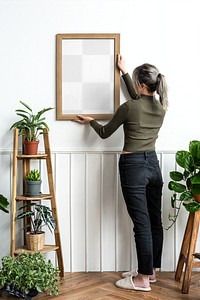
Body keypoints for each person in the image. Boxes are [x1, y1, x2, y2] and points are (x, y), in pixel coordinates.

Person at [75, 54, 168, 292]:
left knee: (142, 224)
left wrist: (92, 121)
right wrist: (124, 72)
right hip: (153, 166)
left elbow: (105, 133)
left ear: (142, 85)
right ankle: (152, 271)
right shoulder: (160, 107)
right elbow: (139, 98)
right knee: (154, 221)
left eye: (136, 82)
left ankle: (142, 279)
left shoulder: (129, 107)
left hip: (133, 167)